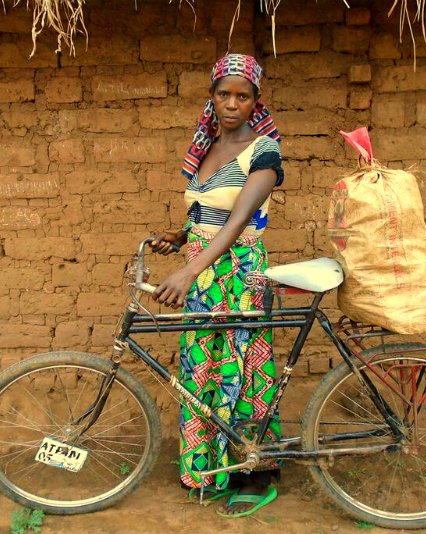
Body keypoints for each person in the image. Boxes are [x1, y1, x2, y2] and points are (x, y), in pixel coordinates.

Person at [149, 53, 284, 519]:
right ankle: (212, 469)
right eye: (223, 94)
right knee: (204, 368)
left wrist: (188, 270)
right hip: (203, 274)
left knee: (243, 368)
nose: (232, 104)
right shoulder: (205, 151)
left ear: (255, 101)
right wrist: (180, 237)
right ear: (211, 97)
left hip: (238, 275)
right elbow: (207, 215)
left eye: (242, 96)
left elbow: (238, 220)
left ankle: (256, 474)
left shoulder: (264, 151)